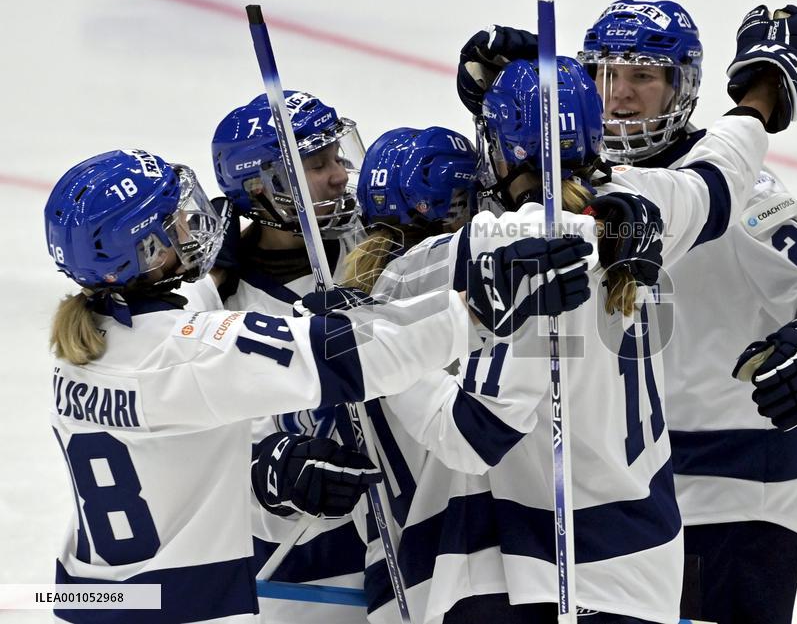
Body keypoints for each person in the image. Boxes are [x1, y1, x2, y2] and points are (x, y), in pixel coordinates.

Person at [371, 0, 797, 621]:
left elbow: (473, 434)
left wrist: (387, 362)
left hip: (527, 569)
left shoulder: (498, 245)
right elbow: (723, 170)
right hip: (644, 564)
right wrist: (763, 95)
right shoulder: (652, 203)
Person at [44, 148, 592, 623]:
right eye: (172, 221)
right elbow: (357, 358)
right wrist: (479, 310)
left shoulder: (81, 349)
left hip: (91, 601)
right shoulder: (196, 352)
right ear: (142, 251)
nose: (192, 223)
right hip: (185, 611)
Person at [576, 0, 797, 624]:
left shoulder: (740, 195)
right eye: (606, 74)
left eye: (642, 77)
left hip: (732, 504)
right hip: (617, 505)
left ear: (681, 88)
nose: (620, 95)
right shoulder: (579, 189)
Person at [211, 90, 372, 624]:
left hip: (408, 534)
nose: (340, 176)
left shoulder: (376, 241)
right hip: (305, 571)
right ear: (259, 186)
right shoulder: (222, 303)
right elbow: (198, 448)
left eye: (337, 156)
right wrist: (271, 468)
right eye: (316, 164)